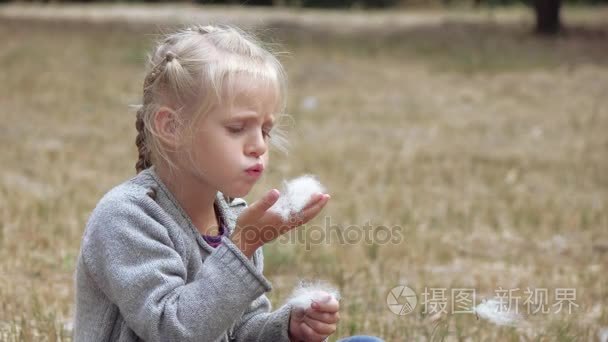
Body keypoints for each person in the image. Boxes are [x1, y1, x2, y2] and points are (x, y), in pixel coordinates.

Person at [73, 24, 383, 342]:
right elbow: (173, 331)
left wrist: (286, 329)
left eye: (265, 130)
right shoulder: (126, 218)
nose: (259, 146)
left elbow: (236, 331)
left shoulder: (233, 215)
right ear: (172, 127)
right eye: (237, 128)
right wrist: (244, 243)